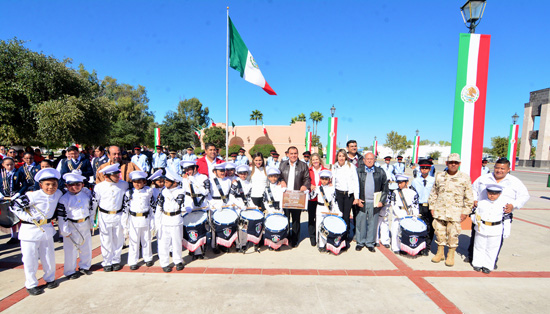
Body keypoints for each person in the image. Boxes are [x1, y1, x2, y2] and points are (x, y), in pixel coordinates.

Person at [10, 168, 63, 295]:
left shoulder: (58, 194)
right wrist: (28, 218)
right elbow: (14, 206)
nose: (51, 187)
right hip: (30, 232)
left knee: (49, 257)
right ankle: (31, 284)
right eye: (47, 184)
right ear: (41, 185)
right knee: (30, 259)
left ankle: (50, 279)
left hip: (46, 231)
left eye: (54, 184)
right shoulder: (32, 195)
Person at [467, 157, 529, 267]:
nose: (499, 170)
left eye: (502, 168)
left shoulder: (514, 182)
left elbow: (524, 196)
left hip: (501, 215)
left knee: (495, 241)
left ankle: (491, 261)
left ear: (508, 169)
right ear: (494, 167)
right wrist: (475, 199)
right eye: (497, 167)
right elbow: (473, 189)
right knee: (477, 237)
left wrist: (513, 205)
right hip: (482, 213)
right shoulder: (484, 178)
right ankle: (473, 258)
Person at [428, 153, 474, 267]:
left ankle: (450, 255)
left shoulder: (464, 178)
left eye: (456, 163)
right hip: (440, 210)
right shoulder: (439, 176)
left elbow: (469, 197)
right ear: (446, 163)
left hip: (455, 212)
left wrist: (465, 212)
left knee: (453, 234)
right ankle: (440, 253)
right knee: (439, 232)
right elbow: (434, 193)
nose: (453, 164)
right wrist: (432, 207)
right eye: (451, 162)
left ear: (459, 164)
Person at [57, 170, 94, 279]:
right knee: (70, 250)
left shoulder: (86, 195)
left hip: (85, 223)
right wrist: (64, 230)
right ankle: (70, 271)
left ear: (82, 185)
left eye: (78, 184)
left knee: (86, 246)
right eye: (71, 185)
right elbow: (61, 216)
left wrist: (92, 223)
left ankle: (85, 266)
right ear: (66, 185)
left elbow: (91, 209)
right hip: (71, 225)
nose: (75, 187)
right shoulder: (64, 199)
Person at [92, 163, 129, 272]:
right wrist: (92, 220)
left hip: (118, 215)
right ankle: (107, 261)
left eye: (118, 174)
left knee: (118, 239)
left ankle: (116, 260)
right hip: (105, 216)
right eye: (115, 175)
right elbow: (94, 204)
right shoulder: (99, 187)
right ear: (107, 176)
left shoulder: (124, 185)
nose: (118, 177)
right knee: (106, 240)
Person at [122, 171, 155, 270]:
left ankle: (148, 258)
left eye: (139, 182)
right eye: (135, 182)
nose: (137, 184)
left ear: (144, 182)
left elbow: (151, 208)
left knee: (147, 239)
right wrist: (125, 225)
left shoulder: (148, 192)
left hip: (145, 218)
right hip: (134, 219)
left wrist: (153, 223)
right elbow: (125, 209)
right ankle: (133, 261)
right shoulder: (129, 193)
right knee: (134, 241)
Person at [355, 152, 388, 252]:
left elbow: (385, 188)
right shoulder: (358, 171)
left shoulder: (380, 172)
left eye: (371, 159)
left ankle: (370, 243)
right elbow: (354, 186)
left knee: (372, 223)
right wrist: (357, 199)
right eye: (367, 159)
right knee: (361, 222)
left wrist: (382, 201)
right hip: (362, 201)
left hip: (375, 202)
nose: (369, 160)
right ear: (364, 160)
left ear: (374, 160)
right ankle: (360, 242)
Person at [471, 184, 507, 274]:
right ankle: (477, 263)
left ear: (499, 194)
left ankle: (488, 265)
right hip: (482, 227)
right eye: (490, 193)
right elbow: (473, 214)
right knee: (479, 246)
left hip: (496, 228)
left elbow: (507, 219)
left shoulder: (504, 205)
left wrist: (506, 231)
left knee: (492, 248)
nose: (492, 195)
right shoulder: (481, 203)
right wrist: (476, 222)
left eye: (495, 194)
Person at [279, 146, 311, 247]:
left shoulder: (303, 165)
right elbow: (278, 176)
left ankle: (295, 239)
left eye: (295, 153)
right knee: (286, 218)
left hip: (297, 197)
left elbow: (307, 178)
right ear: (288, 154)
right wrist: (281, 180)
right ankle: (286, 237)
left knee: (296, 219)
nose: (293, 155)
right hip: (286, 197)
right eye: (291, 153)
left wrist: (305, 185)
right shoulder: (283, 165)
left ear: (298, 154)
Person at [154, 169, 186, 272]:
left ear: (175, 182)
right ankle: (164, 262)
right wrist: (157, 224)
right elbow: (159, 208)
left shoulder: (180, 191)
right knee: (164, 242)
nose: (164, 183)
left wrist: (168, 193)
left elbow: (177, 204)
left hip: (176, 219)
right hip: (165, 219)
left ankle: (178, 261)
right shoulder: (163, 192)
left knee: (176, 241)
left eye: (167, 181)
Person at [180, 160, 209, 258]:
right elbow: (182, 192)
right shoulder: (184, 179)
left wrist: (193, 181)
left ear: (195, 168)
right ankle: (192, 249)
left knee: (200, 227)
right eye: (186, 169)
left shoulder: (203, 177)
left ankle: (200, 250)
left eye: (190, 169)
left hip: (201, 204)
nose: (188, 171)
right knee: (190, 228)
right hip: (189, 204)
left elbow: (205, 192)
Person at [311, 169, 344, 254]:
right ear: (320, 179)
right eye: (322, 179)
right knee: (320, 227)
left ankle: (328, 244)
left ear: (329, 179)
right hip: (320, 209)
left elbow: (334, 201)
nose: (324, 181)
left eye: (326, 179)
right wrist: (311, 190)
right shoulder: (318, 188)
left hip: (329, 210)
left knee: (329, 227)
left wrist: (338, 211)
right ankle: (321, 245)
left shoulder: (332, 189)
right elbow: (311, 197)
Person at [331, 149, 359, 246]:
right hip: (338, 194)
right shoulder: (334, 167)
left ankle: (345, 237)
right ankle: (339, 236)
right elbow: (333, 181)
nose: (341, 158)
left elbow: (356, 182)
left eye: (343, 156)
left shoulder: (351, 167)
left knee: (346, 217)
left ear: (346, 157)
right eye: (339, 156)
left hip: (348, 195)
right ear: (337, 157)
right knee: (339, 215)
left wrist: (356, 197)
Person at [207, 163, 235, 253]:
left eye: (223, 171)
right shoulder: (210, 181)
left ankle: (223, 244)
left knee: (225, 225)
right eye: (220, 171)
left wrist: (230, 202)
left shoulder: (228, 180)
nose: (223, 173)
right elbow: (208, 195)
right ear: (215, 172)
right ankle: (214, 245)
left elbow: (230, 193)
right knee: (215, 227)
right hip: (215, 205)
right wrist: (214, 204)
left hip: (225, 204)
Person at [410, 159, 436, 256]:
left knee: (430, 228)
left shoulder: (434, 181)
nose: (424, 170)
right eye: (422, 168)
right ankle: (419, 246)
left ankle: (427, 247)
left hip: (430, 206)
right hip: (419, 206)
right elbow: (412, 194)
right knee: (419, 227)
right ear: (420, 169)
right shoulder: (415, 181)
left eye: (426, 168)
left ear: (429, 169)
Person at [389, 175, 419, 254]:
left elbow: (415, 204)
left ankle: (404, 247)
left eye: (401, 183)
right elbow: (393, 204)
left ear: (406, 182)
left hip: (408, 213)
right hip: (398, 212)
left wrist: (415, 214)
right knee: (395, 230)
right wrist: (398, 214)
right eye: (398, 183)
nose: (399, 185)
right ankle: (395, 247)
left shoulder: (413, 192)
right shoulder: (395, 192)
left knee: (405, 231)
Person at [263, 167, 288, 250]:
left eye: (275, 176)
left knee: (278, 226)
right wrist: (270, 210)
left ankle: (278, 244)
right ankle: (270, 244)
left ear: (278, 177)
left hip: (280, 210)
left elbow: (283, 198)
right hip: (270, 210)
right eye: (271, 176)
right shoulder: (266, 187)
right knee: (271, 227)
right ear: (268, 177)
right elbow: (265, 200)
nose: (273, 178)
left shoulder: (281, 186)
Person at [231, 164, 254, 252]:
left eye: (245, 173)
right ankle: (237, 244)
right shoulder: (236, 183)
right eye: (241, 173)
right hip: (237, 207)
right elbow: (231, 196)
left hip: (246, 206)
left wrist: (252, 206)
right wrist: (240, 205)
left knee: (244, 226)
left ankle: (244, 243)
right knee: (237, 227)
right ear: (238, 174)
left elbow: (249, 197)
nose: (243, 175)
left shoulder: (249, 184)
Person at [307, 153, 327, 246]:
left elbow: (329, 181)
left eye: (316, 159)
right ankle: (312, 236)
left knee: (322, 218)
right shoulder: (308, 170)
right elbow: (305, 180)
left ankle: (321, 235)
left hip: (322, 199)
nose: (315, 161)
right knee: (311, 218)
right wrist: (309, 185)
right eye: (313, 160)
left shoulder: (325, 170)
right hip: (312, 198)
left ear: (319, 160)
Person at [1, 157, 23, 244]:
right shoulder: (1, 174)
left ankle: (21, 235)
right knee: (10, 218)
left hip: (16, 198)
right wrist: (1, 195)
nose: (10, 166)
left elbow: (24, 185)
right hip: (5, 198)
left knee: (19, 217)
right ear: (3, 165)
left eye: (11, 164)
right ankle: (13, 236)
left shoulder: (18, 173)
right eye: (7, 165)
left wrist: (18, 194)